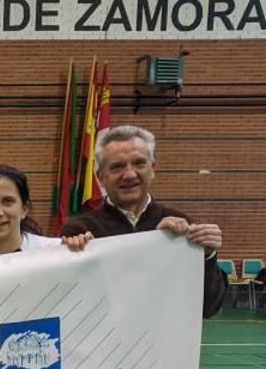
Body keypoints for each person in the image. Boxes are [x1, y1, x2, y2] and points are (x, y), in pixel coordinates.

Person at [59, 125, 226, 317]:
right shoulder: (79, 230)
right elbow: (66, 306)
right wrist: (71, 257)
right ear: (101, 177)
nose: (129, 175)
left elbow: (209, 308)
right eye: (117, 167)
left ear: (153, 169)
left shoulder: (182, 228)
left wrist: (206, 255)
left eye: (139, 163)